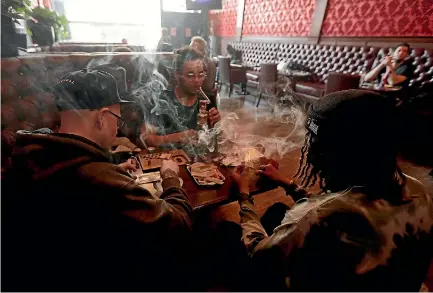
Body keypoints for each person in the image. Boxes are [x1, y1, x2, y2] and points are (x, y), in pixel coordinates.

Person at [1, 69, 193, 291]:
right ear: (101, 118)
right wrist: (170, 178)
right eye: (117, 121)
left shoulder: (34, 153)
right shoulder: (98, 179)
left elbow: (72, 190)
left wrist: (111, 170)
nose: (116, 129)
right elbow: (179, 226)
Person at [231, 89, 433, 291]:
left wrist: (244, 194)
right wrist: (288, 183)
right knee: (277, 210)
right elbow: (344, 208)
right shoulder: (421, 192)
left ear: (336, 155)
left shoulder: (317, 217)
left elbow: (256, 252)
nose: (310, 154)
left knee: (227, 234)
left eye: (315, 146)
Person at [142, 46, 221, 149]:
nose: (197, 80)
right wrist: (179, 136)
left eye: (201, 74)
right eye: (190, 75)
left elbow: (212, 142)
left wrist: (214, 125)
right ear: (177, 75)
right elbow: (145, 138)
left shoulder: (207, 100)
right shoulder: (161, 100)